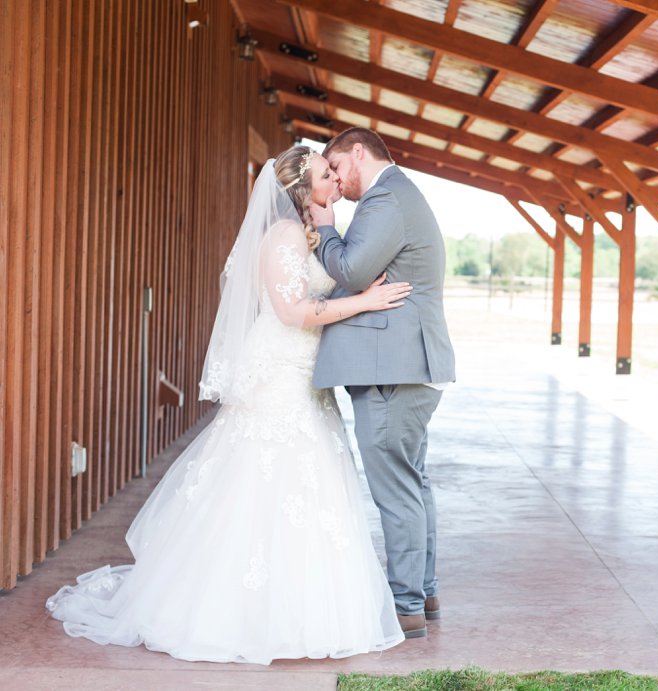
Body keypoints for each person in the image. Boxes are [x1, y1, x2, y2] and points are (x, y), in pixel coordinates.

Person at [45, 146, 410, 665]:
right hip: (280, 372)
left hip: (307, 375)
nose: (336, 180)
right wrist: (364, 302)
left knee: (309, 485)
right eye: (328, 174)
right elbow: (291, 310)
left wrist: (358, 284)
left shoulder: (311, 235)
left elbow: (325, 282)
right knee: (264, 480)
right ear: (302, 189)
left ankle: (298, 610)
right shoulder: (282, 237)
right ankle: (235, 612)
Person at [311, 128, 455, 640]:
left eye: (335, 166)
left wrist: (325, 226)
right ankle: (423, 591)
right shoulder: (394, 196)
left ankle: (405, 605)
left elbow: (350, 269)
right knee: (411, 482)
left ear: (357, 153)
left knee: (396, 489)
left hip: (392, 368)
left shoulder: (386, 198)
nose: (335, 178)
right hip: (400, 365)